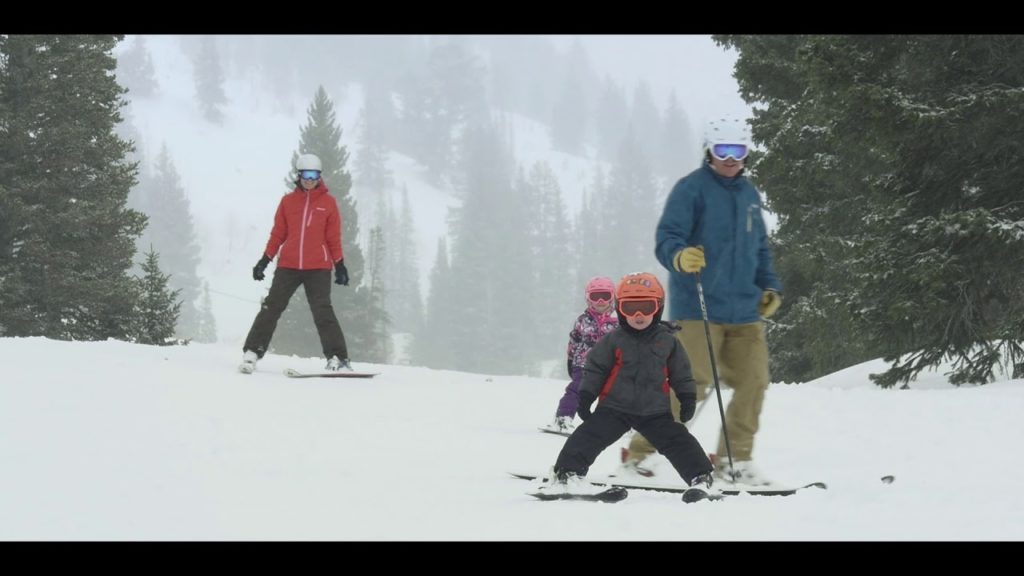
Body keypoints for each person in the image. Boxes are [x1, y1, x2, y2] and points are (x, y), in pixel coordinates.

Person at [621, 115, 783, 485]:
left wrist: (770, 287)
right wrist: (679, 257)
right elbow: (668, 238)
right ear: (709, 150)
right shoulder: (690, 189)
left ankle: (734, 460)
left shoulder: (749, 195)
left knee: (754, 381)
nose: (730, 158)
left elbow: (760, 248)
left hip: (744, 310)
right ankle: (642, 455)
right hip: (697, 305)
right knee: (690, 383)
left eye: (738, 150)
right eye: (722, 150)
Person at [536, 272, 716, 502]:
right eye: (631, 308)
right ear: (620, 309)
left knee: (678, 440)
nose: (638, 315)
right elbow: (595, 369)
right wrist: (586, 396)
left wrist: (687, 397)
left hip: (654, 411)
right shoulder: (614, 339)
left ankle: (701, 478)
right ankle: (567, 474)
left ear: (658, 308)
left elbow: (681, 373)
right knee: (588, 436)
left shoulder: (668, 341)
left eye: (646, 307)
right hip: (614, 407)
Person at [238, 153, 353, 374]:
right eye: (305, 175)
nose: (309, 179)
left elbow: (333, 238)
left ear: (319, 177)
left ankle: (338, 358)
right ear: (298, 176)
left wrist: (340, 265)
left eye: (314, 175)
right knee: (271, 307)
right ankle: (252, 352)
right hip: (288, 266)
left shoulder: (328, 203)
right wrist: (265, 260)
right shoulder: (288, 202)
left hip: (318, 267)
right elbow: (278, 234)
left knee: (323, 311)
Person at [546, 276, 619, 434]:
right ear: (588, 299)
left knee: (617, 394)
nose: (600, 301)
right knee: (576, 390)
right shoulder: (583, 320)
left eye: (605, 296)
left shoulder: (618, 321)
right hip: (584, 363)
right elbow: (574, 339)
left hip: (610, 365)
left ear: (612, 297)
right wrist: (571, 359)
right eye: (595, 296)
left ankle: (618, 424)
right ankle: (563, 418)